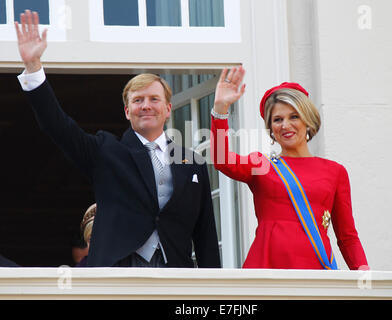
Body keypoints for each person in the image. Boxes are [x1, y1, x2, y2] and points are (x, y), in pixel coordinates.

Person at [14, 10, 220, 268]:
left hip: (175, 273)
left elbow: (205, 237)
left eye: (154, 99)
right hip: (119, 270)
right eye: (138, 100)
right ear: (127, 111)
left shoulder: (192, 162)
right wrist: (34, 68)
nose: (146, 106)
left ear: (168, 109)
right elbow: (58, 126)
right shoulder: (105, 151)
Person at [211, 66, 369, 270]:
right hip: (267, 273)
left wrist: (364, 275)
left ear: (308, 120)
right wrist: (220, 109)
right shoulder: (262, 164)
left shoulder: (335, 172)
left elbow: (347, 237)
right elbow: (222, 159)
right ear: (271, 129)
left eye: (294, 116)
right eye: (277, 119)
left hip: (316, 273)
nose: (285, 125)